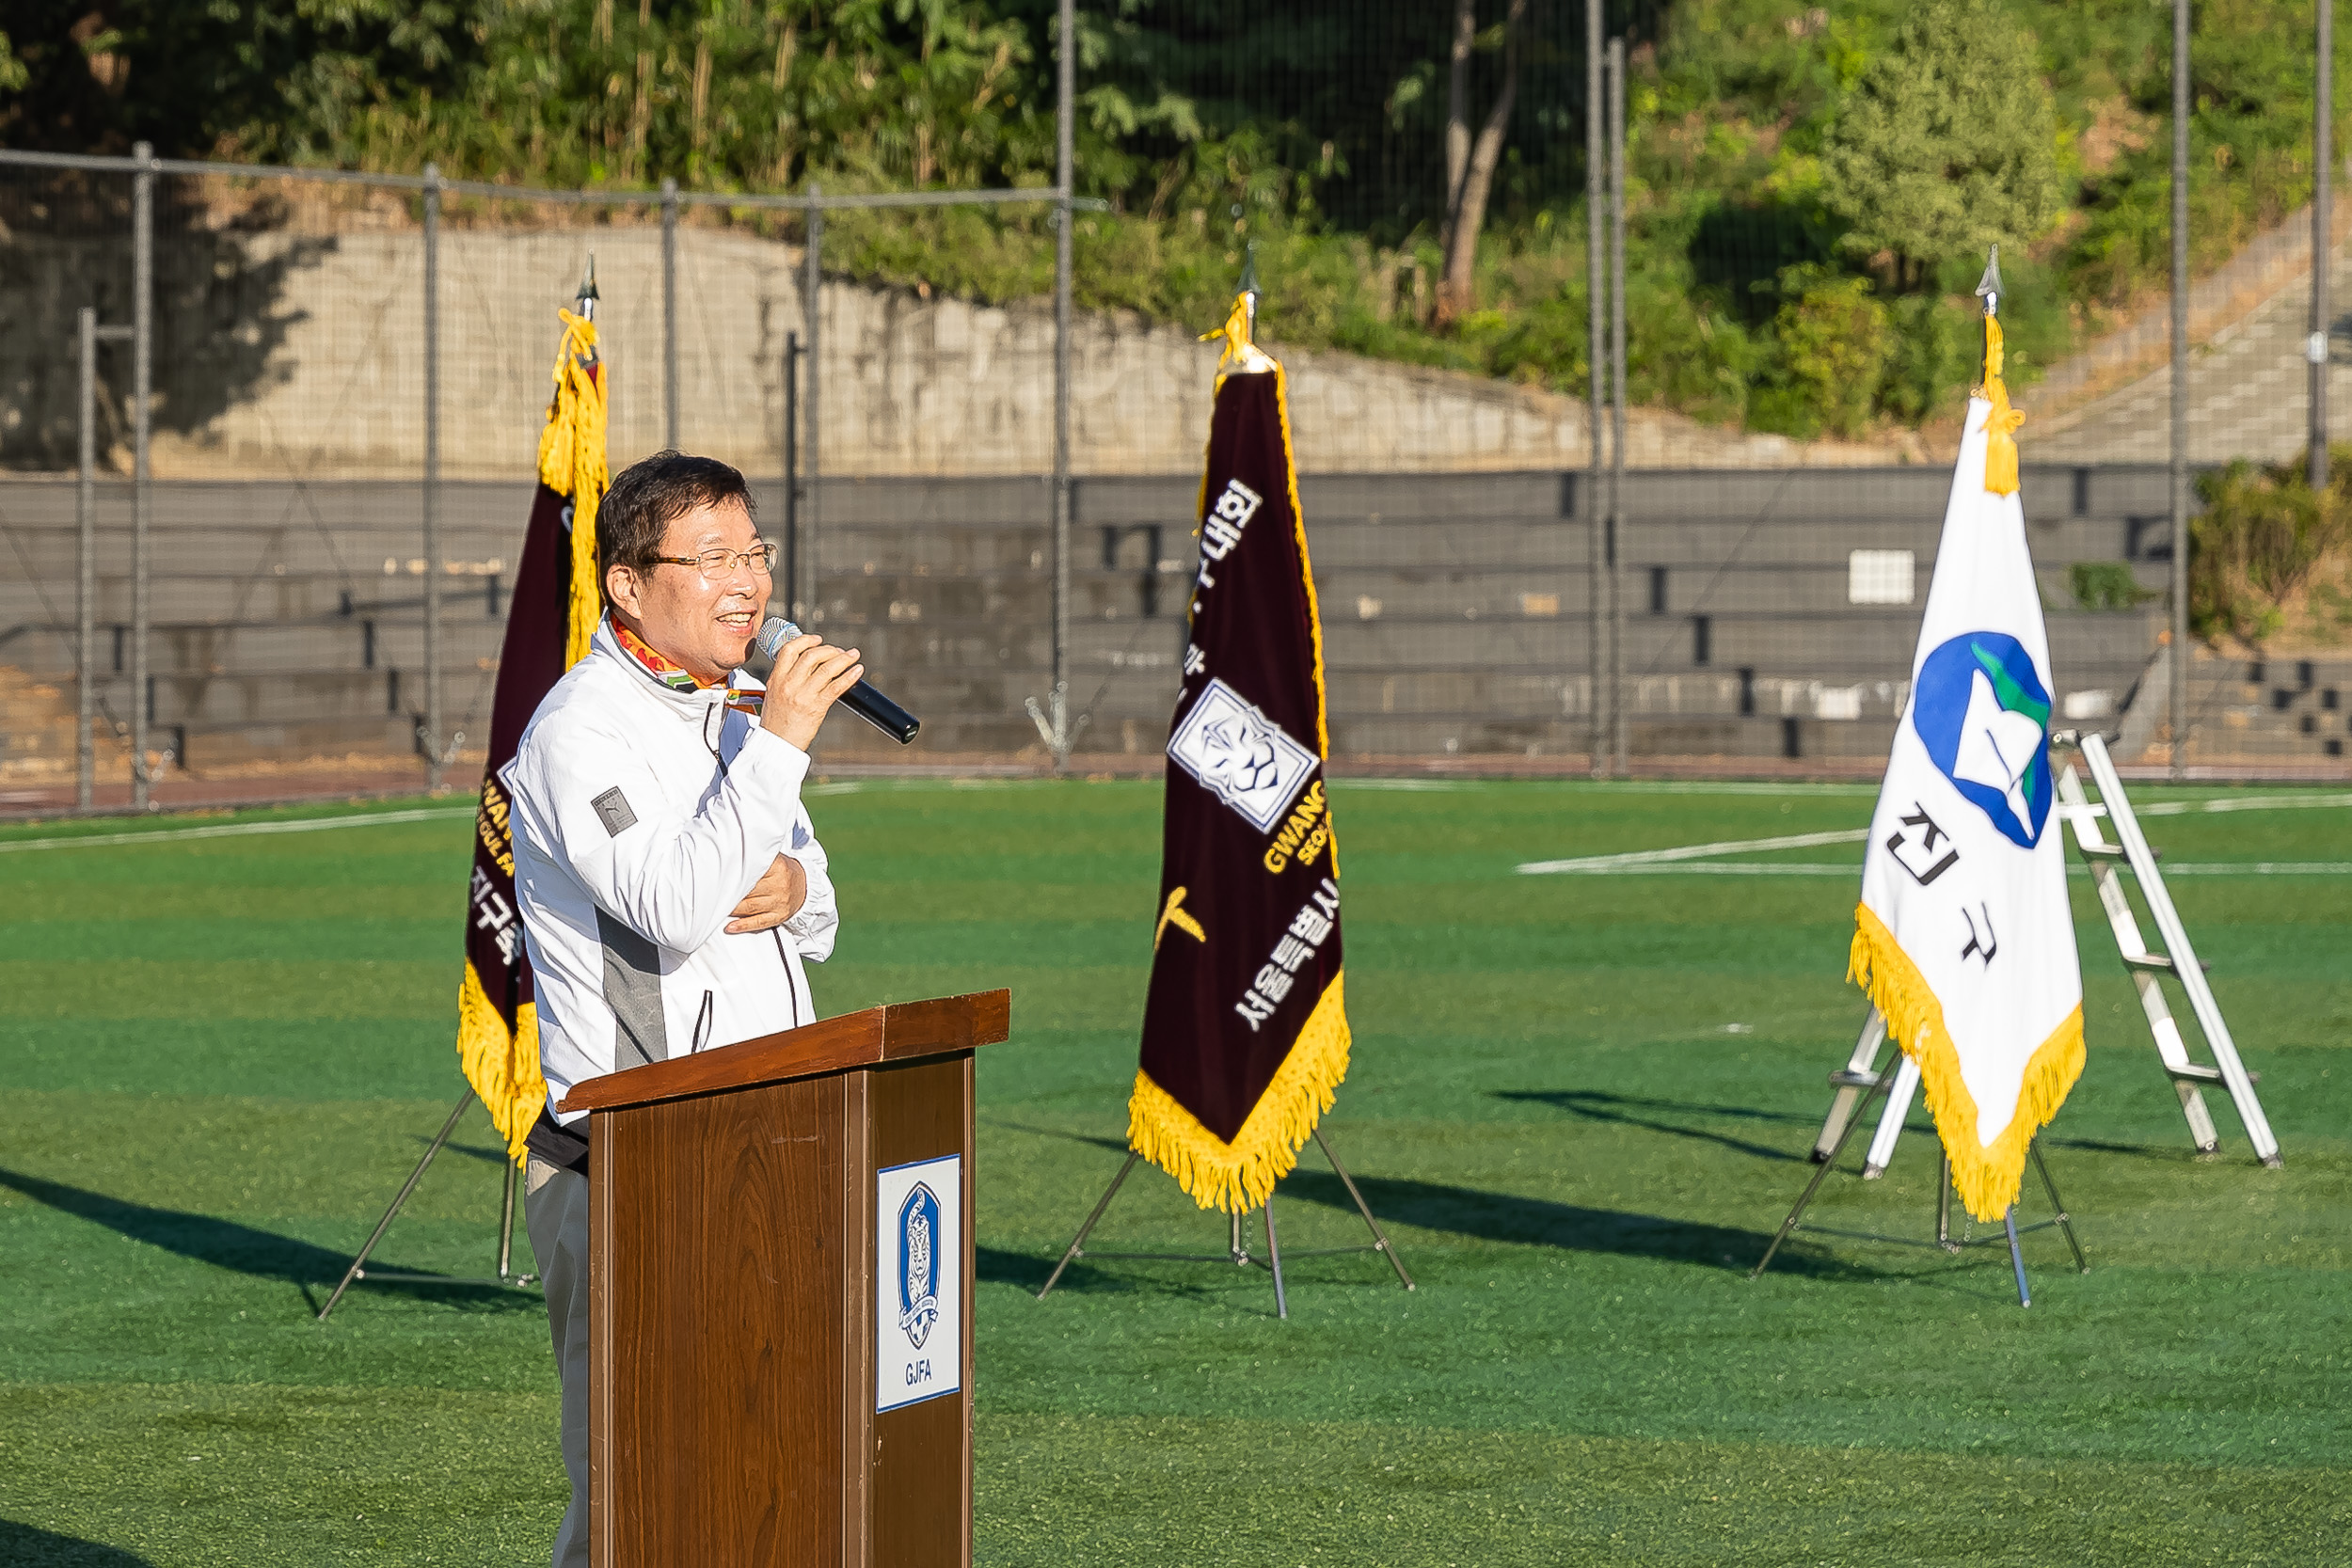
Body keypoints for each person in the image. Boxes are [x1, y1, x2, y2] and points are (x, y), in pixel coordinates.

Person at [502, 451, 863, 1568]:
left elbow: (817, 912)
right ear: (626, 581)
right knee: (638, 1499)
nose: (746, 582)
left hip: (771, 1145)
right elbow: (671, 902)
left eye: (752, 552)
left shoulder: (735, 711)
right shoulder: (580, 730)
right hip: (633, 1160)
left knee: (765, 1476)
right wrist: (785, 746)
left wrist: (799, 886)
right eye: (711, 558)